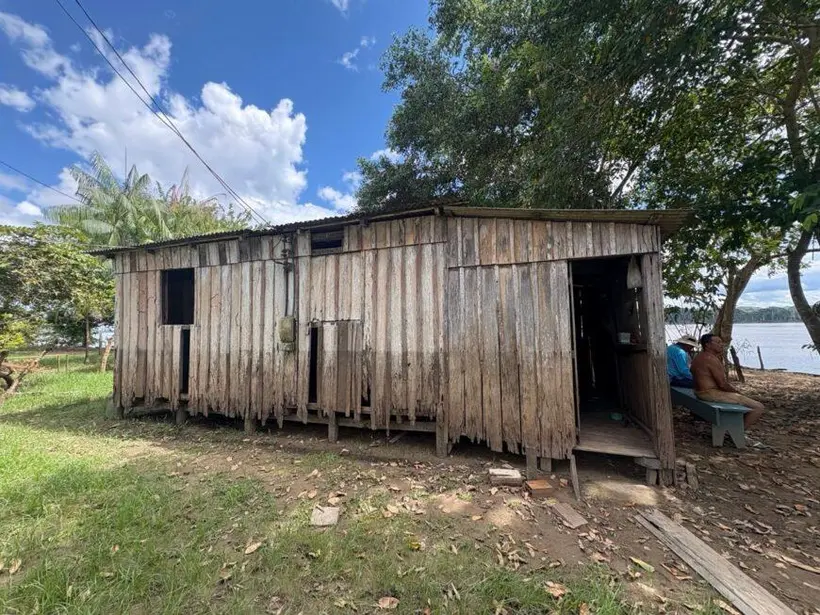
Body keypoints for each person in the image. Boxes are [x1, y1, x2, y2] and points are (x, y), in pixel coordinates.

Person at [691, 333, 764, 428]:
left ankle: (735, 428)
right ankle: (738, 432)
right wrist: (737, 393)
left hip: (699, 392)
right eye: (718, 342)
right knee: (758, 407)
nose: (721, 344)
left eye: (721, 342)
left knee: (744, 401)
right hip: (709, 394)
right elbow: (722, 384)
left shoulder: (699, 357)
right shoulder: (711, 359)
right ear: (707, 345)